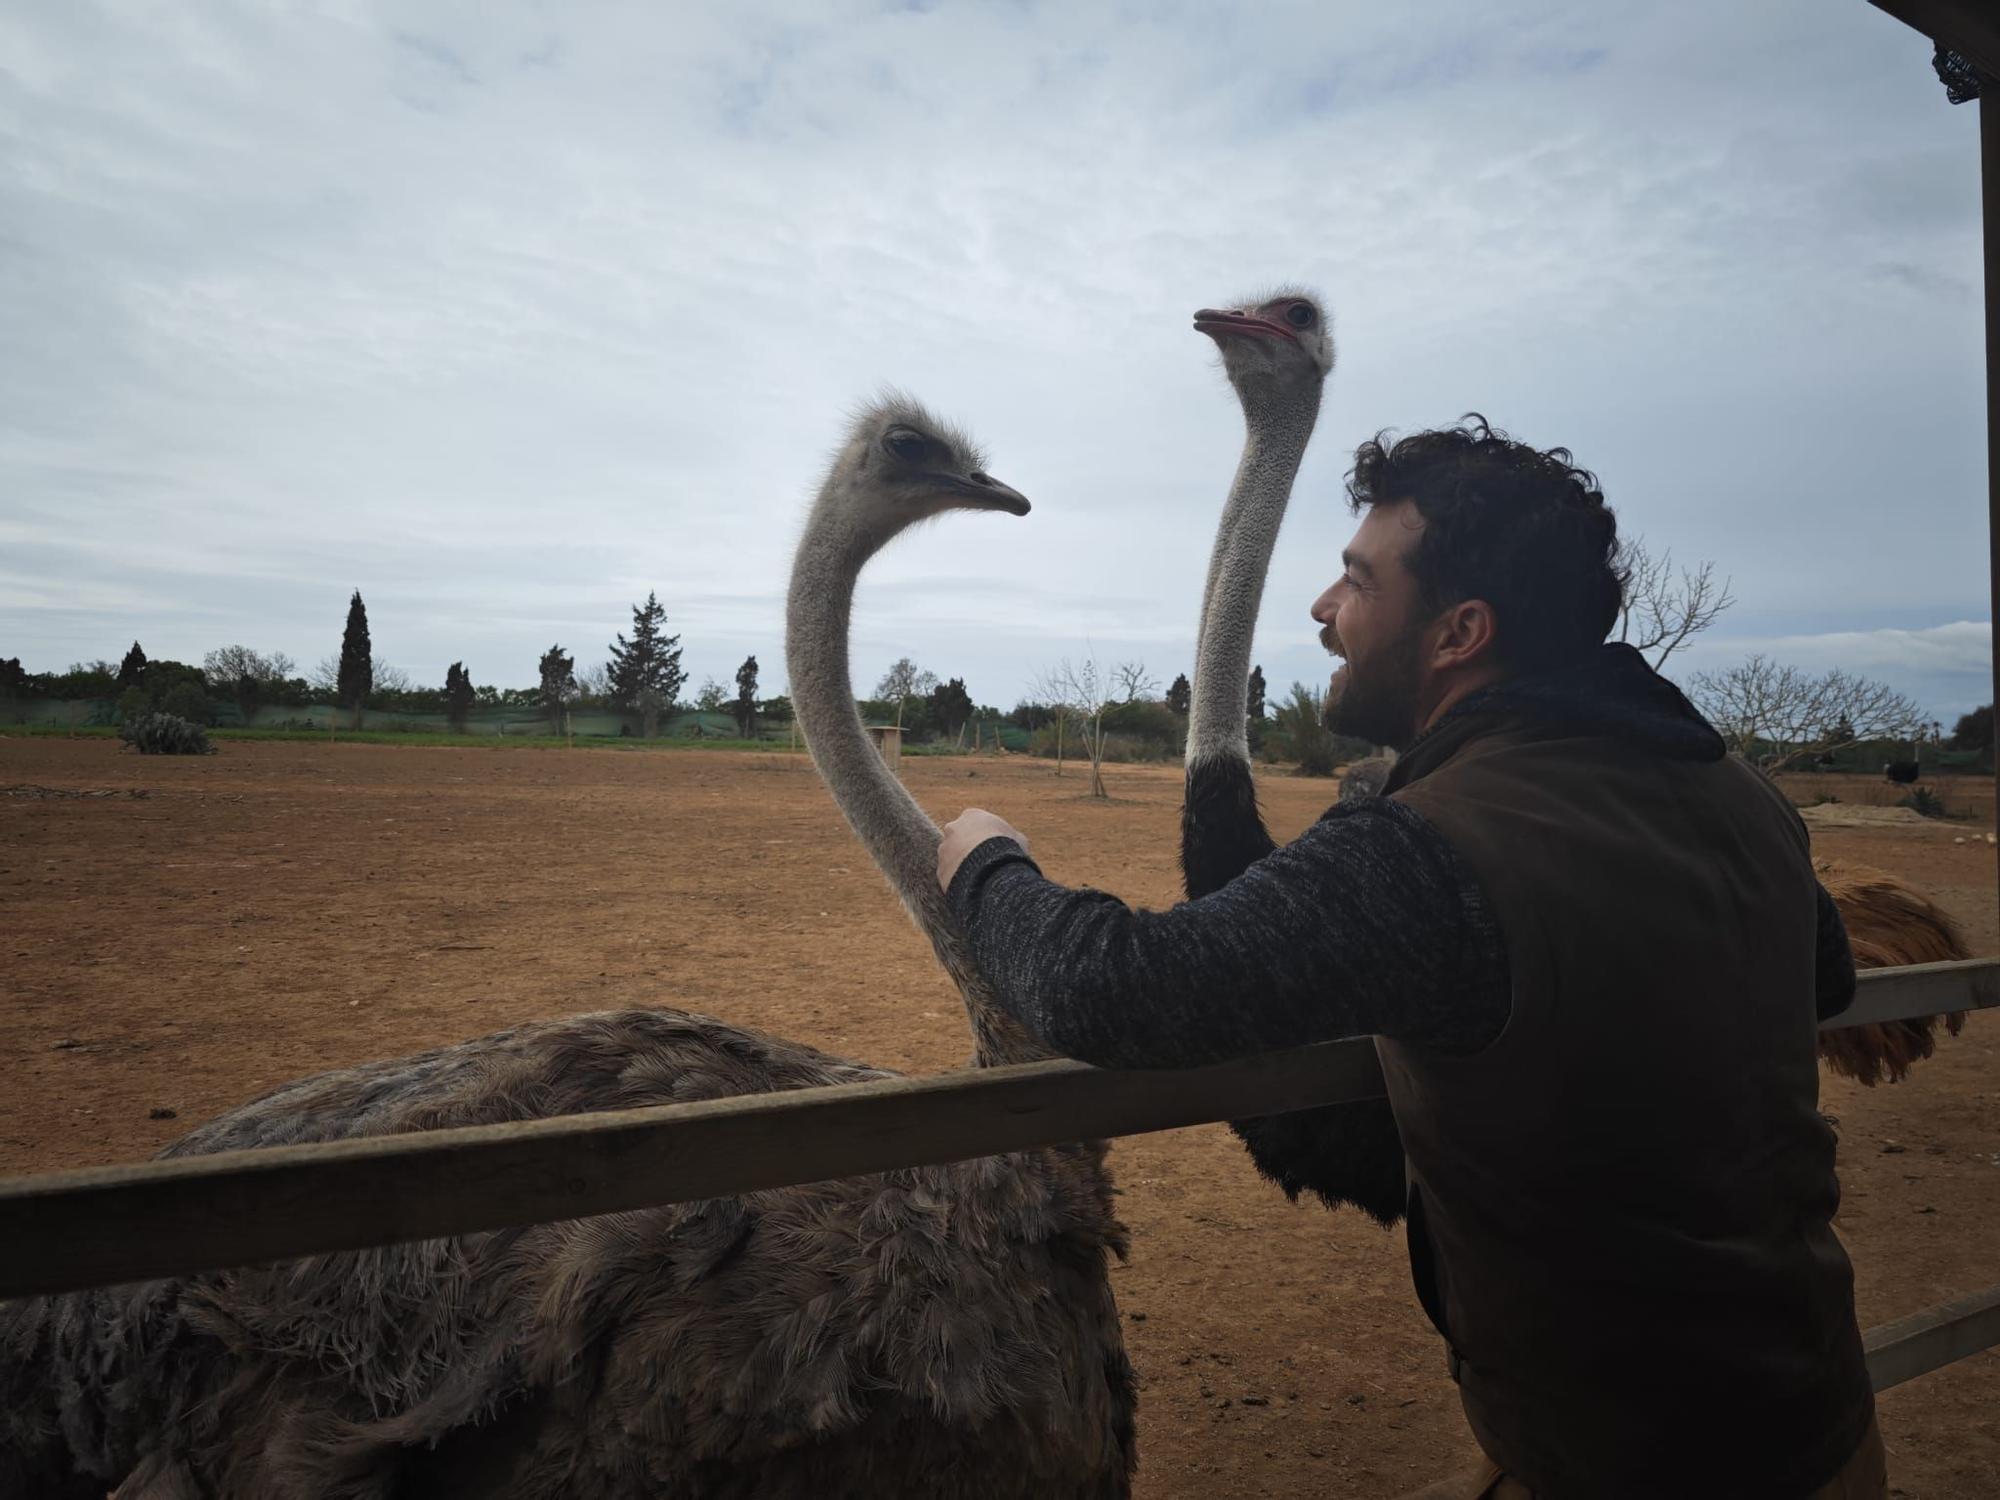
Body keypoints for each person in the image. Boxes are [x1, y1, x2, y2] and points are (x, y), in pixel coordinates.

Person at [935, 419, 1885, 1500]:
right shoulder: (1743, 799)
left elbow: (1114, 990)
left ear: (1456, 633)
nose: (1321, 611)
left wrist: (983, 865)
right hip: (1819, 1414)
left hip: (1633, 1455)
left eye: (1355, 583)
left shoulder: (1439, 841)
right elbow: (1824, 981)